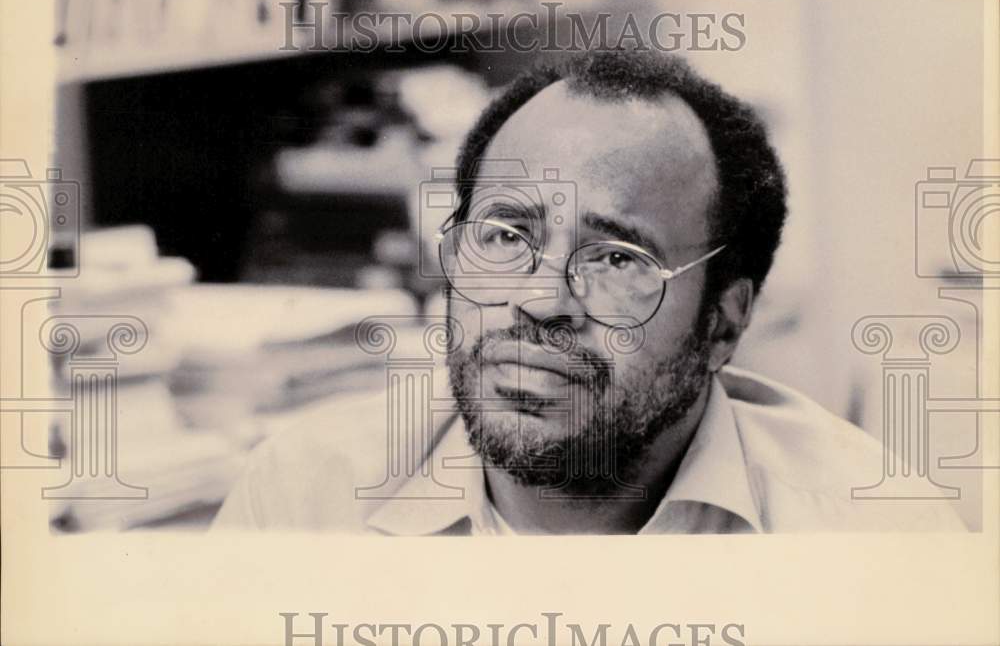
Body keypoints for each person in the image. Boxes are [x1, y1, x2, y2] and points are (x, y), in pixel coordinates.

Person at [214, 49, 964, 534]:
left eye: (616, 258)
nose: (541, 301)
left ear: (723, 326)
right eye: (506, 237)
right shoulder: (304, 501)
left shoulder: (876, 543)